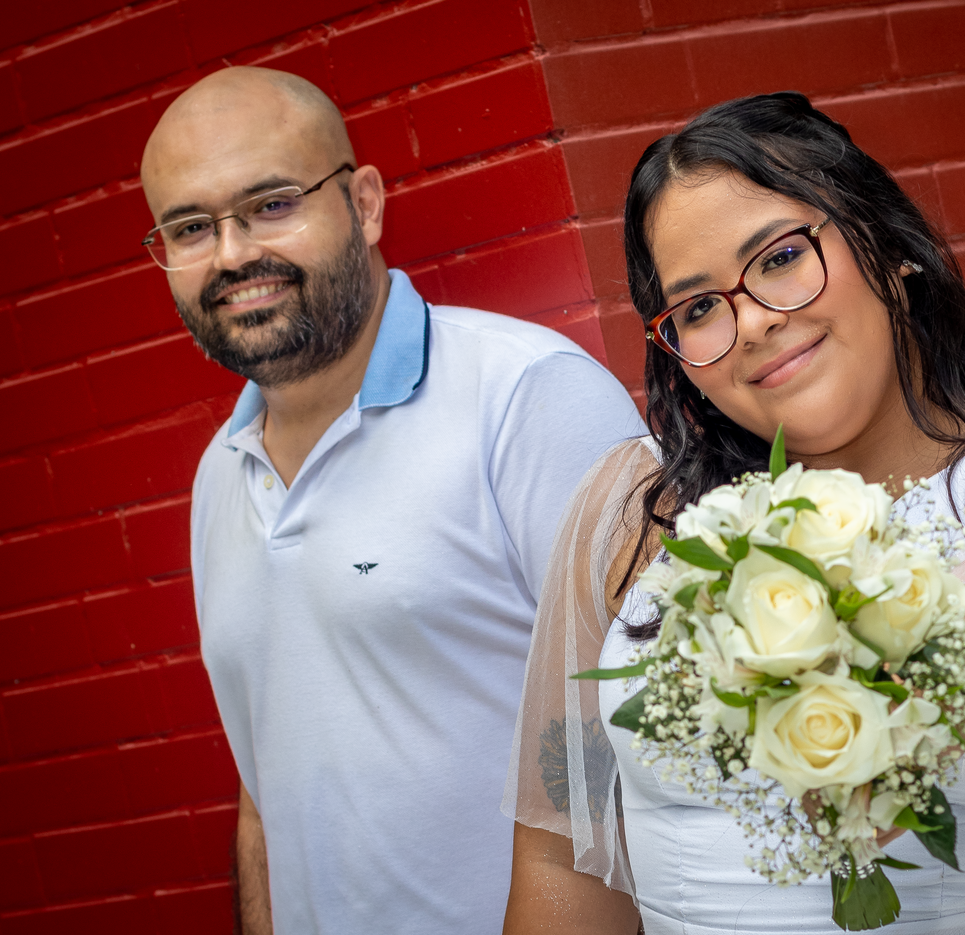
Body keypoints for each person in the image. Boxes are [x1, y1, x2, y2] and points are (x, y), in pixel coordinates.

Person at [502, 92, 965, 934]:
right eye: (698, 309)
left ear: (890, 244)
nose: (753, 320)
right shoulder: (637, 509)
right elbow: (560, 855)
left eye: (782, 256)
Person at [139, 66, 643, 934]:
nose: (230, 255)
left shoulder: (526, 398)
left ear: (364, 205)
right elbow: (267, 793)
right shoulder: (220, 474)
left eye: (270, 204)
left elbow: (638, 746)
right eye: (191, 227)